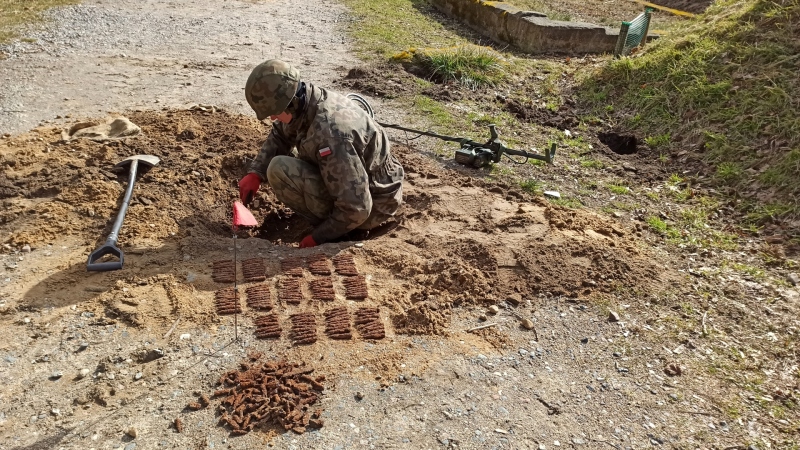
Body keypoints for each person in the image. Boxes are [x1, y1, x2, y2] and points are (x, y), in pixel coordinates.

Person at [238, 59, 404, 248]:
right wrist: (256, 172)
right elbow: (281, 134)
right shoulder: (306, 100)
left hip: (375, 202)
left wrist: (319, 237)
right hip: (358, 179)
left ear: (290, 103)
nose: (273, 118)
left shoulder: (331, 136)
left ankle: (346, 232)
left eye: (274, 112)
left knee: (279, 170)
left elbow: (357, 209)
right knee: (275, 167)